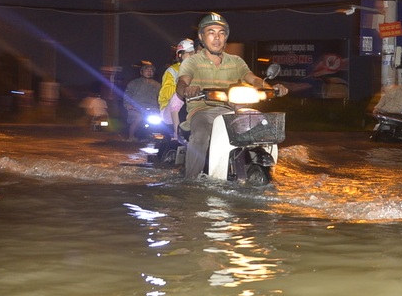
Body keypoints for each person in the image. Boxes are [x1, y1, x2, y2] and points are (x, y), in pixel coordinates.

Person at [176, 12, 288, 179]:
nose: (217, 37)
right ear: (202, 37)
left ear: (226, 37)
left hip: (231, 110)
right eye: (211, 32)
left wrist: (271, 88)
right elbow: (182, 83)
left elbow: (254, 79)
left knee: (261, 130)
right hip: (202, 111)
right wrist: (187, 89)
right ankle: (191, 181)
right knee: (200, 136)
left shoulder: (235, 61)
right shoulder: (191, 62)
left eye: (221, 33)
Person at [158, 38, 196, 143]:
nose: (193, 55)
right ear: (180, 55)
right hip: (169, 110)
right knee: (177, 96)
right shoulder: (172, 70)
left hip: (191, 107)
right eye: (190, 53)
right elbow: (165, 93)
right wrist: (182, 87)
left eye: (194, 53)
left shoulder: (201, 69)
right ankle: (177, 134)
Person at [123, 62, 161, 141]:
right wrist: (127, 104)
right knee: (138, 118)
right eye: (147, 70)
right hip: (136, 108)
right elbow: (127, 94)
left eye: (151, 70)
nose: (149, 72)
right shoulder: (134, 83)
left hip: (152, 108)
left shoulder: (157, 84)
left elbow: (161, 96)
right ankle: (131, 137)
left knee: (161, 120)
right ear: (142, 72)